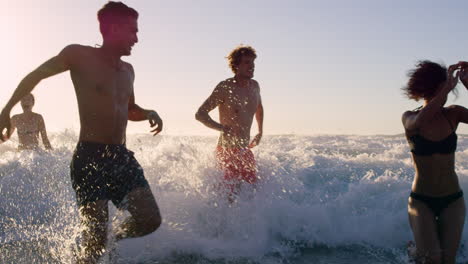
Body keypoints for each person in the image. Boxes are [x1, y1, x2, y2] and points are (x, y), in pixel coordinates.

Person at [0, 2, 162, 263]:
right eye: (132, 31)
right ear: (113, 28)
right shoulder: (79, 55)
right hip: (90, 157)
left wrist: (148, 113)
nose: (136, 38)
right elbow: (36, 75)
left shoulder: (128, 71)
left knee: (150, 220)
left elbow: (129, 109)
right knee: (95, 242)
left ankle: (113, 238)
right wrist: (6, 109)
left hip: (121, 156)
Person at [402, 61, 467, 264]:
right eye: (444, 84)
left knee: (447, 261)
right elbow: (422, 120)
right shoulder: (410, 117)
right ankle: (415, 253)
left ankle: (418, 252)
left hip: (452, 199)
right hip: (422, 201)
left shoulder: (453, 114)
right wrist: (445, 90)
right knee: (432, 260)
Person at [195, 45, 264, 200]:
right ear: (236, 65)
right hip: (227, 151)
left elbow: (259, 107)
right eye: (247, 62)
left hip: (245, 151)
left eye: (253, 62)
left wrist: (260, 131)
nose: (252, 66)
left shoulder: (255, 86)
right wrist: (222, 128)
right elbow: (200, 114)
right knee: (229, 198)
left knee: (253, 194)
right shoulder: (225, 87)